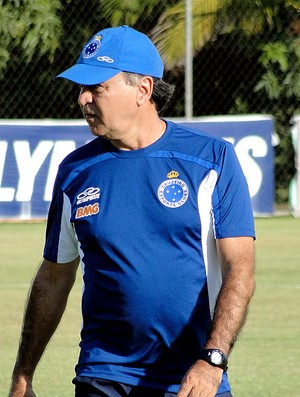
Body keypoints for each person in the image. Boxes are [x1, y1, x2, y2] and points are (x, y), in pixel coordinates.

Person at [9, 25, 255, 397]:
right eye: (81, 88)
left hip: (191, 378)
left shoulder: (211, 160)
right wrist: (23, 375)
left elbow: (240, 269)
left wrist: (212, 360)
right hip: (101, 374)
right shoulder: (74, 171)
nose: (83, 99)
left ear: (143, 89)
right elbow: (54, 277)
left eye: (97, 88)